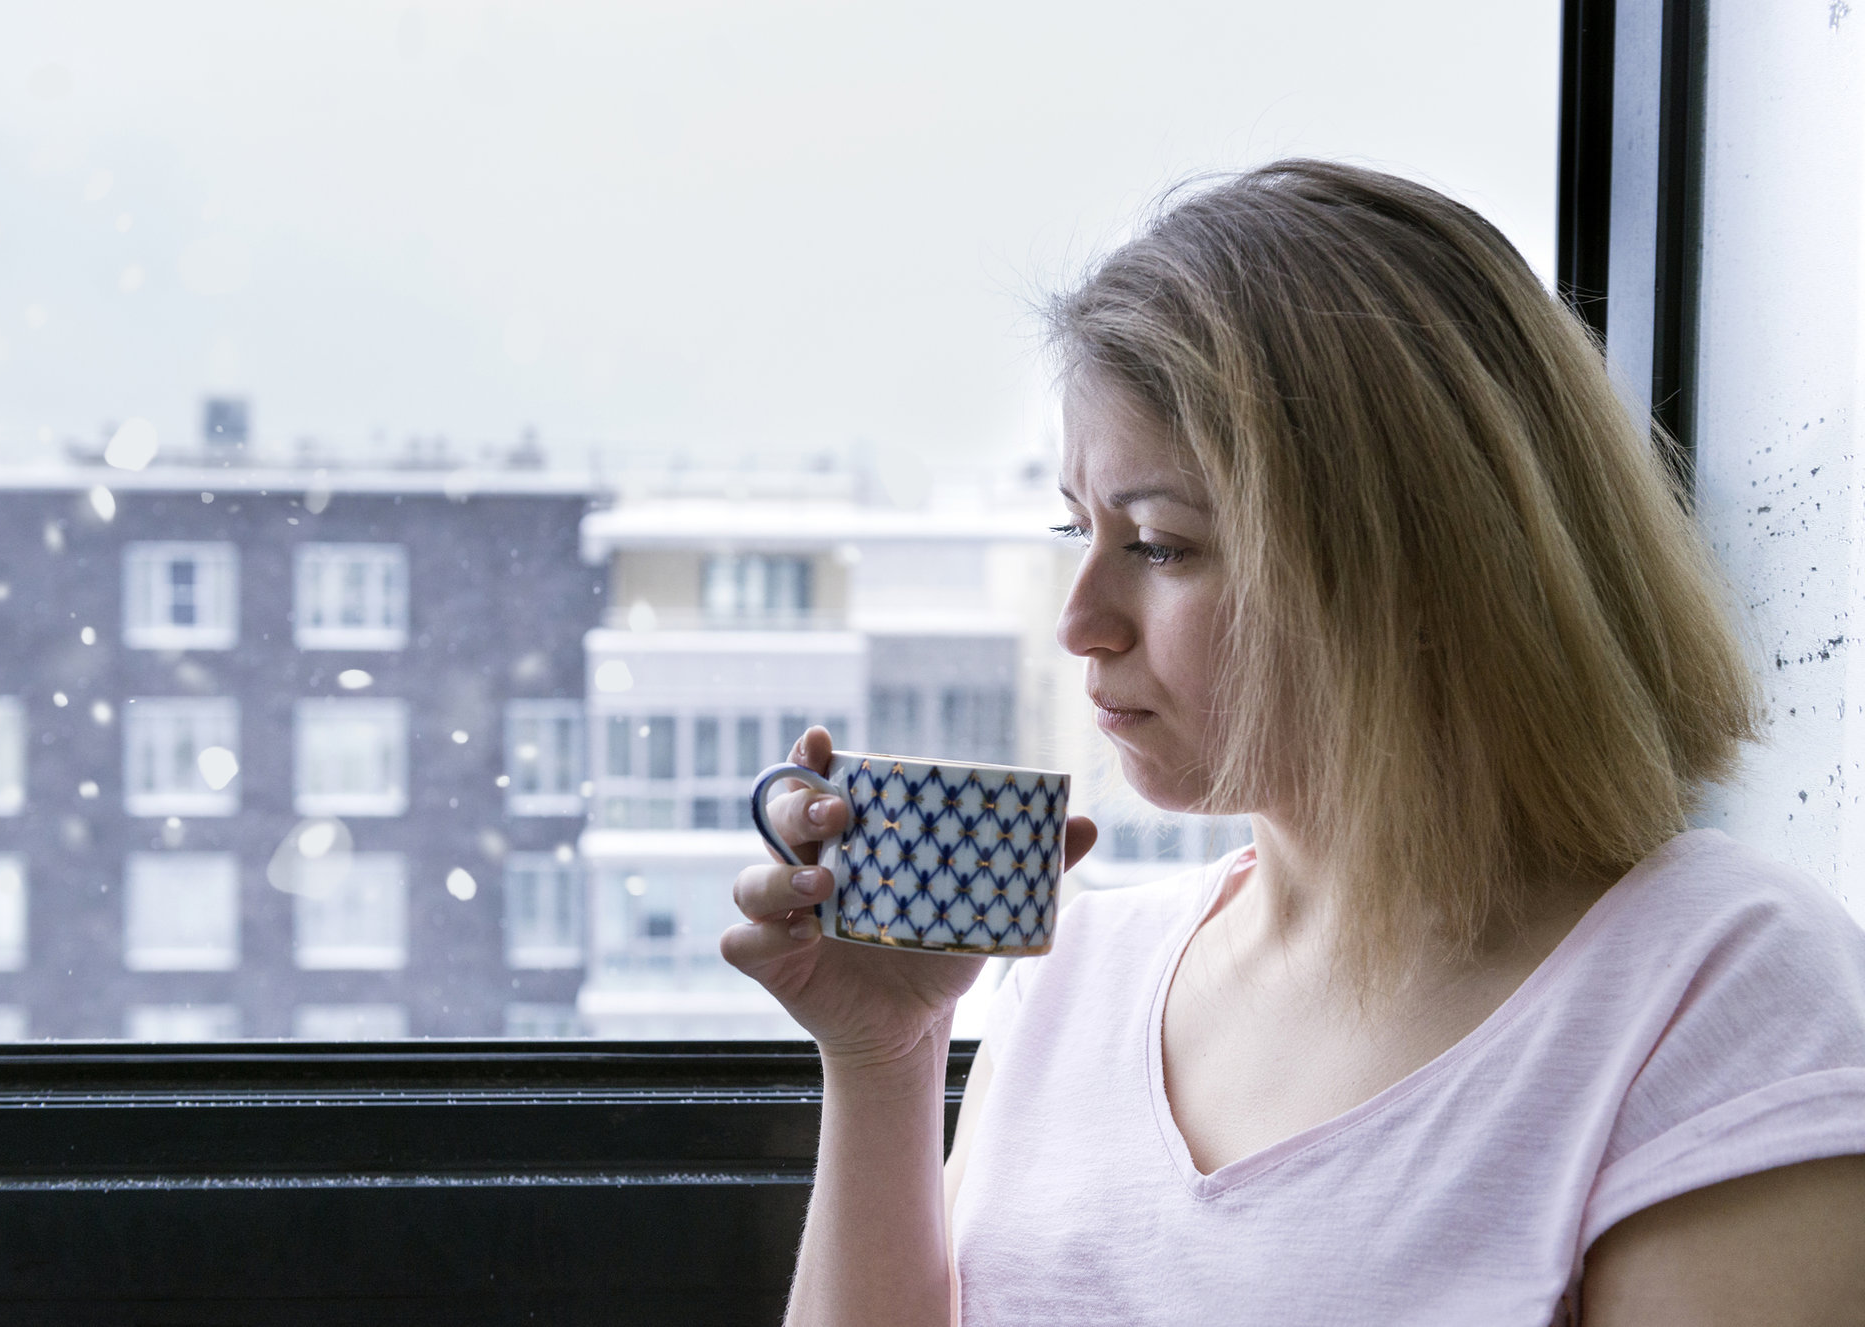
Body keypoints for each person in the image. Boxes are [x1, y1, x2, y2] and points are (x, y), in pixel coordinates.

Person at [722, 160, 1865, 1325]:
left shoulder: (1714, 982)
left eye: (1160, 545)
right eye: (1076, 528)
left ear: (1414, 565)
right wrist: (883, 1057)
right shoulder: (1076, 976)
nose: (1079, 622)